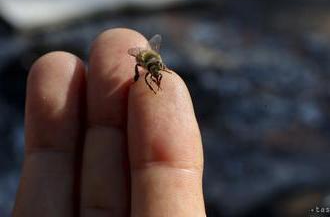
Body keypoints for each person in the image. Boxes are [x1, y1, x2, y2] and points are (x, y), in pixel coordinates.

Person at [12, 28, 206, 216]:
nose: (156, 73)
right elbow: (143, 60)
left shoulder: (156, 62)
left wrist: (160, 69)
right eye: (154, 70)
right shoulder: (144, 62)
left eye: (158, 70)